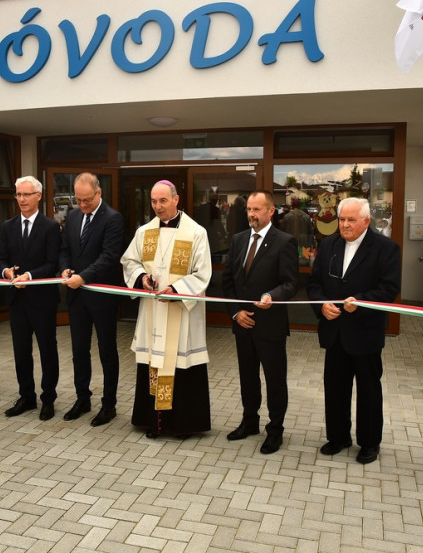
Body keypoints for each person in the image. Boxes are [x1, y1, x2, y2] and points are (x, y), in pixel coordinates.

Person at [306, 197, 401, 464]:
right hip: (334, 331)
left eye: (351, 220)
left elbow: (389, 289)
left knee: (368, 390)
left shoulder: (386, 248)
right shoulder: (328, 245)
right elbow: (314, 283)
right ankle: (338, 437)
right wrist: (322, 305)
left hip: (364, 332)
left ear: (366, 221)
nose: (345, 225)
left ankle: (369, 443)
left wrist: (360, 302)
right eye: (342, 219)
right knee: (335, 387)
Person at [121, 180, 212, 438]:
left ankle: (182, 424)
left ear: (176, 199)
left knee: (181, 365)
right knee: (153, 361)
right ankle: (154, 421)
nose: (158, 206)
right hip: (153, 312)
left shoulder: (196, 232)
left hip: (181, 313)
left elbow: (203, 273)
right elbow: (129, 261)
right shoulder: (144, 232)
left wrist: (177, 289)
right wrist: (142, 278)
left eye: (163, 200)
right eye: (153, 201)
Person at [221, 190, 299, 454]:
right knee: (248, 377)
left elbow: (290, 283)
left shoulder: (285, 242)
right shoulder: (238, 240)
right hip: (243, 324)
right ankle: (249, 421)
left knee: (275, 379)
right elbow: (228, 281)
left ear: (270, 211)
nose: (251, 214)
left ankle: (275, 430)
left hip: (270, 325)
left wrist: (271, 296)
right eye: (249, 209)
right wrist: (236, 313)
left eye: (257, 209)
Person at [59, 172, 124, 426]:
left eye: (87, 200)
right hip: (77, 297)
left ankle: (109, 405)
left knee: (107, 352)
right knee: (79, 351)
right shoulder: (74, 216)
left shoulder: (113, 218)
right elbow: (65, 249)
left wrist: (83, 277)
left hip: (102, 297)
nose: (82, 204)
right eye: (78, 200)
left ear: (98, 193)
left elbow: (109, 256)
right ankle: (82, 399)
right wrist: (65, 268)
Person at [0, 176, 61, 420]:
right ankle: (26, 396)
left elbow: (52, 263)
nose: (22, 199)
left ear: (38, 196)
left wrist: (30, 276)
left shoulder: (50, 227)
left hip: (42, 300)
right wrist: (6, 272)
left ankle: (48, 399)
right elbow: (1, 258)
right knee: (21, 351)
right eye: (18, 194)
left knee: (47, 350)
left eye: (26, 194)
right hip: (17, 300)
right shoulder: (8, 226)